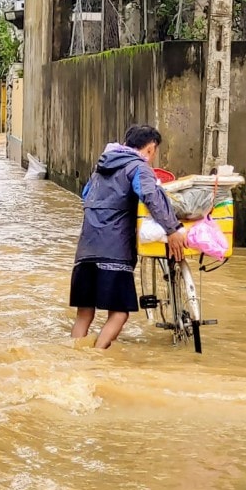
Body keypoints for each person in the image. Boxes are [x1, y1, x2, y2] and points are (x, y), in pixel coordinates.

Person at [70, 124, 187, 349]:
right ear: (151, 148)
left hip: (85, 250)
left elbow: (86, 195)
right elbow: (151, 197)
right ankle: (96, 357)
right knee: (119, 314)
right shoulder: (138, 168)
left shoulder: (101, 167)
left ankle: (75, 358)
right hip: (114, 251)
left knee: (84, 314)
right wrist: (173, 229)